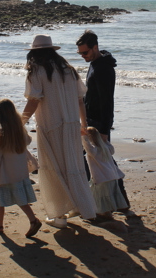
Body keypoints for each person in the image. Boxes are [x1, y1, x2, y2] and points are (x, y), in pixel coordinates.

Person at [21, 34, 97, 228]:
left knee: (53, 169)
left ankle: (59, 216)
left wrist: (21, 121)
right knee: (73, 167)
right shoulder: (68, 70)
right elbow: (81, 99)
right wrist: (83, 123)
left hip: (50, 126)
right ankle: (82, 207)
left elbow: (34, 99)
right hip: (71, 125)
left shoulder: (36, 71)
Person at [76, 30, 131, 212]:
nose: (83, 56)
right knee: (99, 160)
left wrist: (105, 131)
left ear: (95, 47)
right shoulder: (96, 62)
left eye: (85, 52)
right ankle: (107, 198)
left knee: (104, 161)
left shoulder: (103, 69)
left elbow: (107, 102)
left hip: (99, 122)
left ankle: (117, 199)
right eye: (80, 53)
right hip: (90, 119)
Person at [0, 98, 42, 238]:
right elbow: (28, 141)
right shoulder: (20, 132)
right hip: (20, 174)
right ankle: (32, 220)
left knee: (0, 201)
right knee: (21, 200)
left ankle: (0, 225)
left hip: (4, 176)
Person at [82, 127, 128, 221]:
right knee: (108, 195)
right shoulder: (105, 148)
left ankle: (104, 213)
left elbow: (87, 145)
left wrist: (83, 136)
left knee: (99, 196)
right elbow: (112, 150)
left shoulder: (93, 151)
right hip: (112, 176)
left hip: (101, 178)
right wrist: (106, 141)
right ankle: (105, 212)